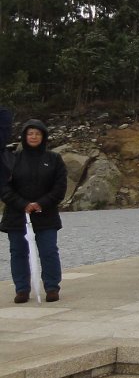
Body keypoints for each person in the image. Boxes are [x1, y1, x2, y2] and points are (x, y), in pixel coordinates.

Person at [1, 119, 68, 303]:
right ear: (24, 136)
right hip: (17, 216)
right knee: (18, 253)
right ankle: (22, 289)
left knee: (49, 251)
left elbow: (60, 187)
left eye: (37, 133)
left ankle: (52, 287)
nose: (33, 137)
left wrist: (40, 204)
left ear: (43, 136)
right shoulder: (11, 159)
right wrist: (23, 204)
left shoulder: (54, 159)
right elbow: (4, 187)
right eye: (30, 133)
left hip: (46, 215)